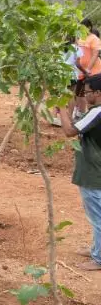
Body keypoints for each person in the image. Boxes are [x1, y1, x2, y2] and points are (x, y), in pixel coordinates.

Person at [57, 75, 101, 271]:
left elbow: (69, 131)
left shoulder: (97, 112)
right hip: (95, 170)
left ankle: (99, 258)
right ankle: (96, 249)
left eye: (88, 92)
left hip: (93, 173)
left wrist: (60, 110)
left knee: (98, 217)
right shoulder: (94, 113)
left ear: (98, 94)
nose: (85, 95)